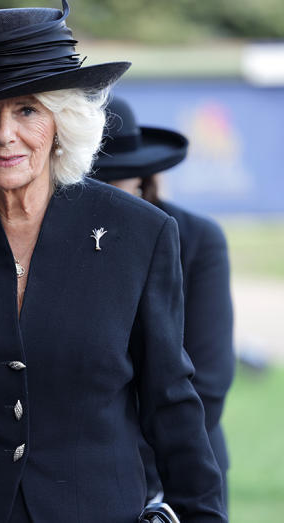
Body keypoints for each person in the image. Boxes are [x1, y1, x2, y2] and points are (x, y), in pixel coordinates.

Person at [0, 2, 226, 522]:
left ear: (61, 120)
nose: (4, 133)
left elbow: (171, 402)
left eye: (27, 109)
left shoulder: (140, 234)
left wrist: (203, 515)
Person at [92, 96, 235, 511]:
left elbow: (206, 381)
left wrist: (142, 477)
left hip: (177, 473)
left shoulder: (197, 239)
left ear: (140, 178)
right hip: (81, 476)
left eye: (108, 181)